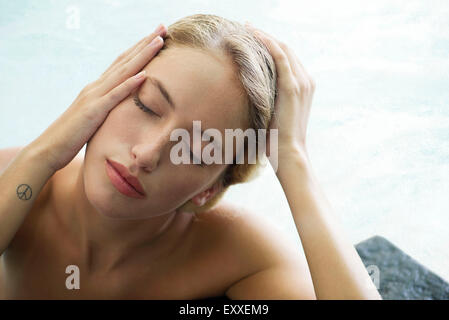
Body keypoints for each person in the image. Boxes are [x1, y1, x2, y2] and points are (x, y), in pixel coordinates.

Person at [0, 14, 381, 299]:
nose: (146, 154)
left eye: (196, 150)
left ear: (209, 188)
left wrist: (293, 159)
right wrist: (44, 153)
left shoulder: (238, 254)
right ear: (106, 91)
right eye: (146, 106)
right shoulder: (17, 181)